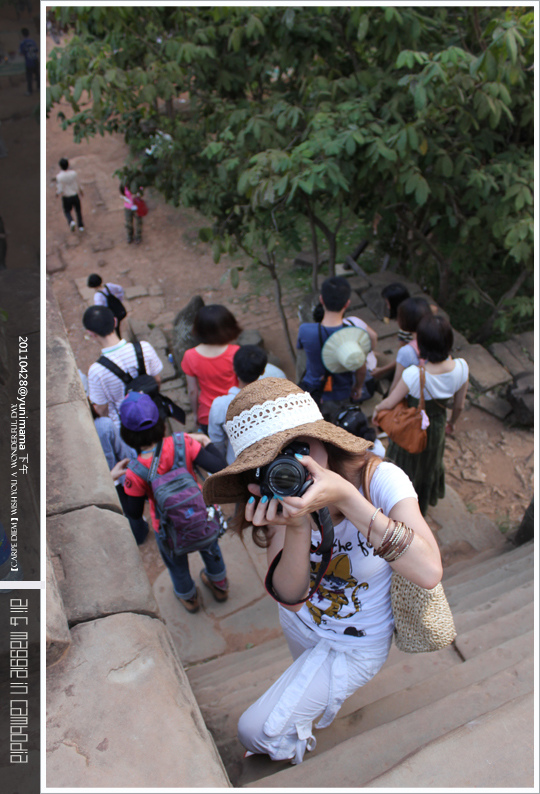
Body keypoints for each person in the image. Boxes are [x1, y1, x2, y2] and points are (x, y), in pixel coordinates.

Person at [201, 377, 442, 764]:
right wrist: (296, 526)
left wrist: (346, 497)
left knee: (254, 730)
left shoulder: (378, 480)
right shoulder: (280, 497)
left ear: (325, 440)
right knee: (304, 680)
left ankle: (292, 740)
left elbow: (429, 571)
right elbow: (292, 599)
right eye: (269, 461)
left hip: (358, 641)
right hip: (301, 623)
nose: (290, 466)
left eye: (299, 448)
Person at [117, 392, 228, 612]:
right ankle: (220, 586)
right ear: (160, 423)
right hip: (200, 514)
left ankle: (189, 598)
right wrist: (206, 441)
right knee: (211, 548)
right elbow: (220, 467)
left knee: (176, 565)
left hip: (167, 528)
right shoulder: (183, 442)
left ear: (126, 434)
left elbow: (134, 512)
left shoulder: (135, 471)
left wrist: (116, 482)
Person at [372, 314, 469, 516]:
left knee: (403, 465)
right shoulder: (462, 367)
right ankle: (422, 505)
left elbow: (390, 402)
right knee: (429, 464)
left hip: (412, 426)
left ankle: (399, 506)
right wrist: (451, 423)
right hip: (437, 425)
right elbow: (459, 405)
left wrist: (377, 410)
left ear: (421, 344)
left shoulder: (414, 374)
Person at [297, 276, 377, 414]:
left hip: (314, 391)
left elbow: (301, 348)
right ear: (347, 303)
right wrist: (358, 387)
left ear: (321, 300)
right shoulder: (354, 335)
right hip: (342, 393)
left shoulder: (305, 330)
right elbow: (361, 369)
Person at [84, 305, 163, 429]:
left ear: (91, 333)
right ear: (115, 321)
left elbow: (101, 408)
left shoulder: (96, 371)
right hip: (151, 414)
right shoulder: (144, 348)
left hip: (124, 426)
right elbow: (157, 380)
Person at [181, 304, 242, 433]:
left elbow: (192, 391)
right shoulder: (236, 352)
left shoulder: (190, 356)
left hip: (208, 414)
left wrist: (196, 414)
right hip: (235, 411)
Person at [208, 345, 268, 465]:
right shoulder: (273, 399)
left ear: (234, 369)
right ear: (263, 371)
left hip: (237, 462)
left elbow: (217, 441)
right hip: (269, 462)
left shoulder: (220, 405)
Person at [373, 296, 432, 393]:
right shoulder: (436, 338)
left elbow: (395, 387)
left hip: (412, 393)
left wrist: (387, 399)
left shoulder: (407, 351)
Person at [87, 273, 127, 339]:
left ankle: (118, 338)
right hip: (118, 310)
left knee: (113, 327)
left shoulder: (98, 296)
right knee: (117, 325)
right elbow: (120, 289)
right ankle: (118, 335)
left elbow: (99, 309)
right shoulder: (109, 286)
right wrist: (119, 299)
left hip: (111, 314)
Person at [56, 158, 84, 232]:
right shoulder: (74, 173)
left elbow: (60, 188)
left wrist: (58, 193)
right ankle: (80, 226)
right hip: (75, 195)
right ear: (68, 165)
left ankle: (71, 221)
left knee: (67, 211)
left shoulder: (59, 177)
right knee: (78, 210)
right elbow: (78, 183)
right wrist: (81, 191)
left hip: (66, 197)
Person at [19, 27, 39, 96]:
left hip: (29, 61)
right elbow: (36, 50)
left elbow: (21, 53)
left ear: (22, 34)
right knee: (37, 75)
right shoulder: (33, 41)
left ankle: (30, 91)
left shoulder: (23, 43)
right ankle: (39, 87)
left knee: (29, 77)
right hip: (35, 60)